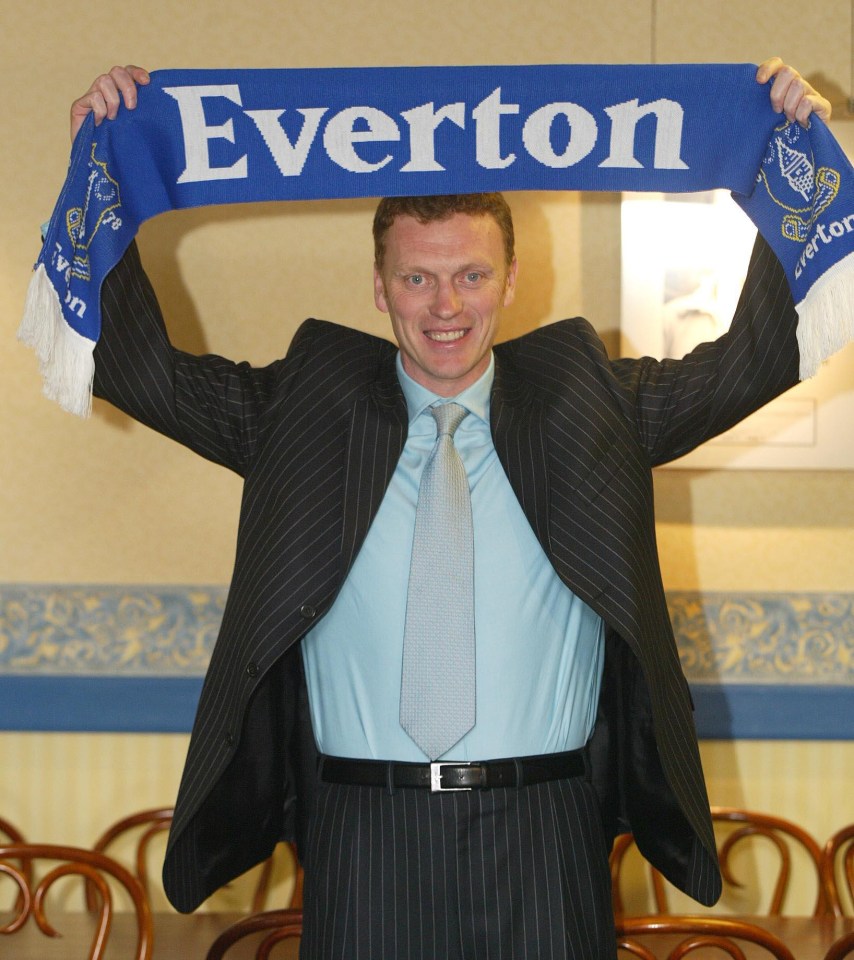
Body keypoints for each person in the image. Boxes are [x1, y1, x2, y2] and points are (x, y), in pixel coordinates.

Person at [67, 59, 830, 959]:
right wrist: (101, 165)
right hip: (360, 834)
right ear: (379, 287)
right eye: (418, 280)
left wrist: (793, 157)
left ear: (511, 283)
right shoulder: (301, 410)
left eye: (471, 277)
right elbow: (137, 368)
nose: (445, 306)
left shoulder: (592, 402)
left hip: (544, 833)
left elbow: (755, 359)